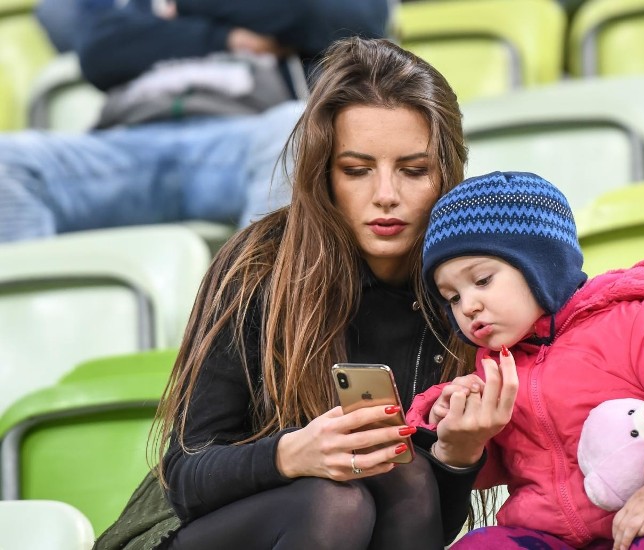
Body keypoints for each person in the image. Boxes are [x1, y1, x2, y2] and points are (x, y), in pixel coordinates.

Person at [95, 38, 519, 550]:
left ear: (445, 175)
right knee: (335, 502)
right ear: (324, 173)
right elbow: (186, 475)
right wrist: (289, 455)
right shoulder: (260, 265)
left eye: (413, 170)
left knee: (404, 478)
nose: (386, 194)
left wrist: (459, 456)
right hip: (191, 530)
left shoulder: (463, 288)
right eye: (356, 170)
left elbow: (422, 524)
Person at [407, 171, 644, 549]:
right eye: (452, 297)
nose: (467, 306)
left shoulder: (636, 320)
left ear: (541, 265)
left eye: (483, 280)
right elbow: (498, 467)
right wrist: (460, 434)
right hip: (545, 535)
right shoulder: (496, 367)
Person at [0, 0, 389, 242]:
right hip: (125, 145)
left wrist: (181, 10)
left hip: (245, 138)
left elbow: (351, 17)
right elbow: (100, 50)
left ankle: (253, 337)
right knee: (7, 160)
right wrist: (234, 35)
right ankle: (36, 346)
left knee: (298, 130)